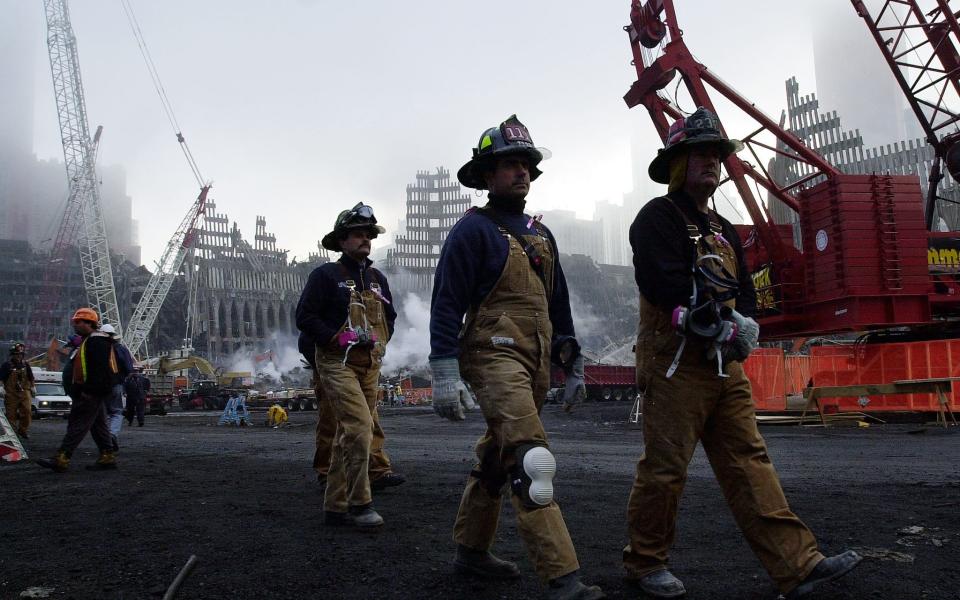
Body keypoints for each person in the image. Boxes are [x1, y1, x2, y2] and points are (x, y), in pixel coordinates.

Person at [625, 107, 862, 599]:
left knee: (749, 459)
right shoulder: (657, 218)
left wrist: (744, 323)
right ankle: (645, 563)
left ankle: (798, 566)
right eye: (700, 154)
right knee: (666, 468)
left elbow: (745, 289)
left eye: (716, 154)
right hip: (675, 364)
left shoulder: (723, 227)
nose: (712, 162)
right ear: (676, 162)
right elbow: (660, 280)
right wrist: (699, 316)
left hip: (723, 363)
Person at [429, 115, 603, 600]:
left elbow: (558, 304)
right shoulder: (472, 232)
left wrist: (573, 362)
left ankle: (470, 550)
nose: (520, 173)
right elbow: (446, 302)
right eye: (509, 165)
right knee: (532, 457)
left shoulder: (541, 235)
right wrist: (444, 371)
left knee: (499, 454)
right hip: (492, 357)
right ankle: (562, 577)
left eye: (525, 164)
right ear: (487, 175)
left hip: (536, 360)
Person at [295, 203, 399, 528]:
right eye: (357, 234)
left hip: (369, 364)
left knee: (347, 433)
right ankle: (360, 503)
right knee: (359, 427)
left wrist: (381, 343)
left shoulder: (377, 278)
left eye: (368, 235)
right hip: (335, 362)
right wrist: (333, 339)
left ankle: (335, 506)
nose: (365, 239)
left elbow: (390, 318)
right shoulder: (325, 276)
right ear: (342, 241)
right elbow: (304, 317)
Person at [296, 334, 404, 491]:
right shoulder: (329, 314)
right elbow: (307, 324)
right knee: (331, 421)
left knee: (369, 419)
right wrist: (323, 360)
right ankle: (329, 474)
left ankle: (376, 471)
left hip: (363, 364)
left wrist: (375, 345)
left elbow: (386, 319)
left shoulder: (364, 313)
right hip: (332, 365)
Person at [38, 307, 121, 472]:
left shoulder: (96, 342)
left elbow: (99, 370)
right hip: (93, 391)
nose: (75, 326)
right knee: (98, 425)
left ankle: (62, 458)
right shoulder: (91, 340)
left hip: (91, 392)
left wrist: (88, 390)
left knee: (78, 424)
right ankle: (107, 455)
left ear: (89, 323)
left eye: (78, 322)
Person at [100, 324, 133, 450]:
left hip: (100, 385)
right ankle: (112, 434)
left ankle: (103, 439)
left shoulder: (97, 348)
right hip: (116, 385)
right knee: (117, 412)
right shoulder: (121, 349)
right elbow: (129, 368)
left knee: (101, 413)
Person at [1, 343, 35, 439]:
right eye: (16, 354)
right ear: (12, 355)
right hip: (11, 393)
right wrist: (1, 387)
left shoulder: (26, 364)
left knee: (27, 412)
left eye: (20, 354)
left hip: (25, 392)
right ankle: (12, 435)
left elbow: (31, 377)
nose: (18, 356)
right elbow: (1, 378)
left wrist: (33, 387)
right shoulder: (6, 365)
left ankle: (22, 430)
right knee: (11, 415)